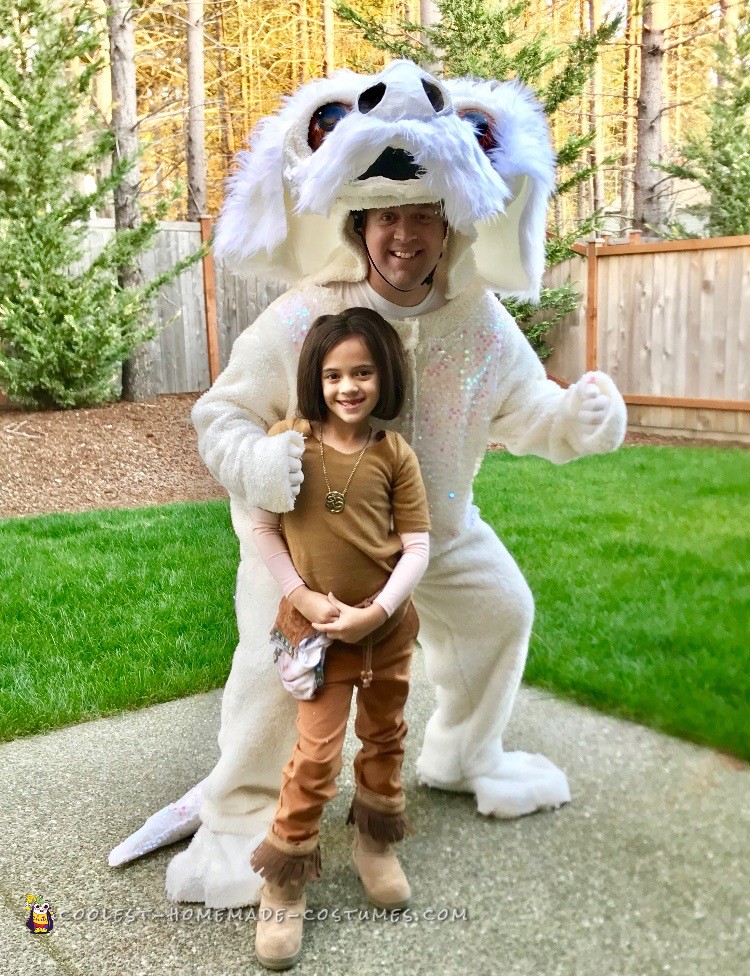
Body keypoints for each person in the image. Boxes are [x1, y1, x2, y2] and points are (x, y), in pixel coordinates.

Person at [110, 61, 627, 911]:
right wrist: (258, 467)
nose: (404, 235)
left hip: (439, 531)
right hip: (311, 547)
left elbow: (524, 406)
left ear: (453, 223)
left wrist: (576, 420)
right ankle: (240, 818)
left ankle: (464, 754)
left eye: (423, 215)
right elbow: (222, 415)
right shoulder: (305, 314)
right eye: (387, 214)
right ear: (359, 221)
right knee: (279, 675)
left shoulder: (479, 319)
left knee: (502, 609)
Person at [248, 307, 430, 968]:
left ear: (384, 376)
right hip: (313, 634)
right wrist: (300, 597)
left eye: (362, 372)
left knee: (385, 736)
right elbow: (262, 529)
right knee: (317, 753)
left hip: (384, 635)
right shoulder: (287, 442)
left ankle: (374, 841)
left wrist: (378, 611)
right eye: (333, 374)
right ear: (314, 380)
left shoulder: (394, 454)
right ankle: (285, 874)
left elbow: (417, 547)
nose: (348, 386)